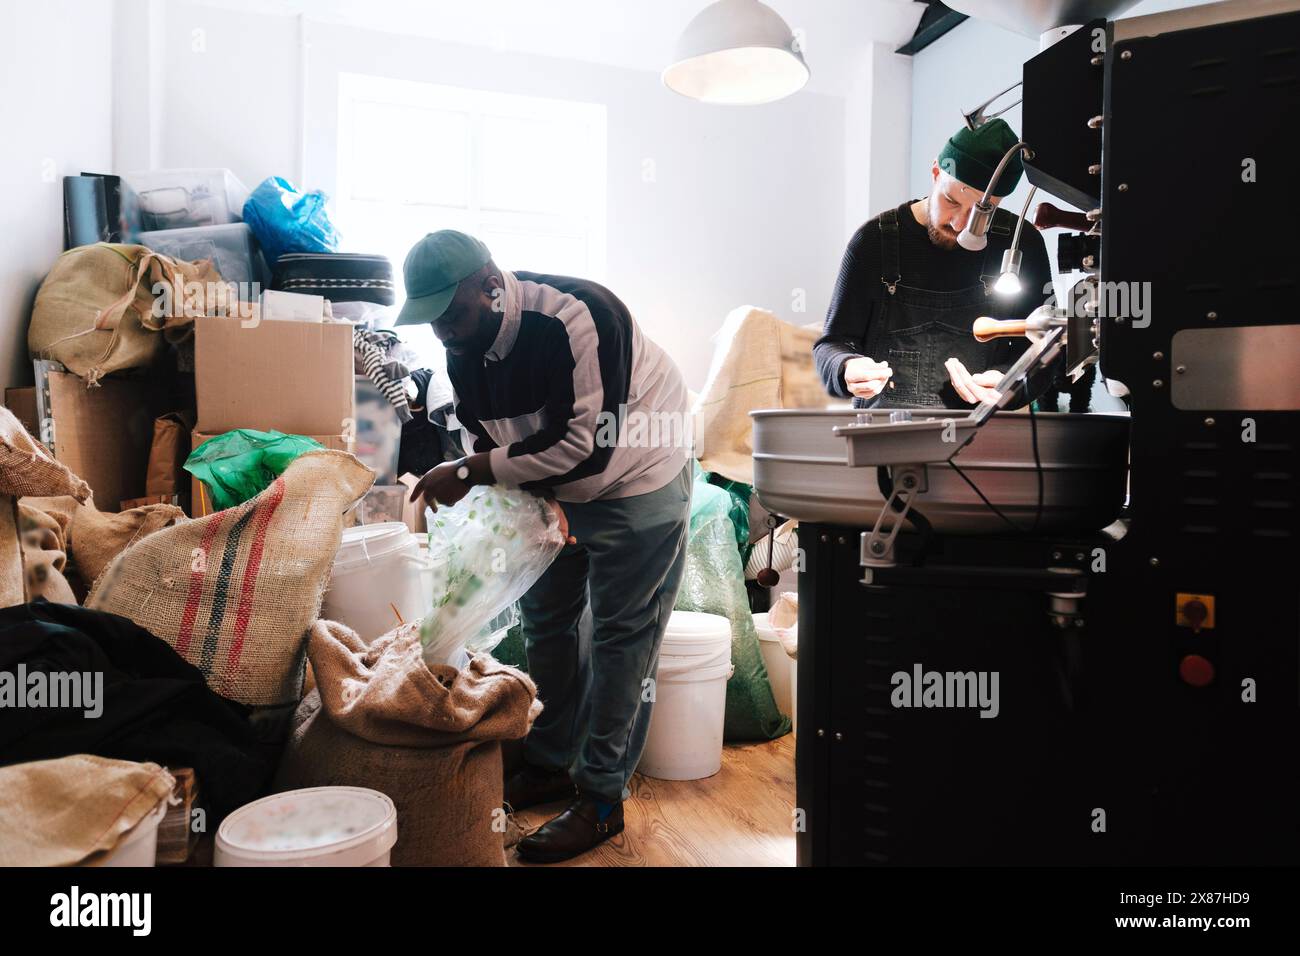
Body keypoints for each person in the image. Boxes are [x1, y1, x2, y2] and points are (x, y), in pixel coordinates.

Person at [397, 230, 692, 863]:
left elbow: (589, 445)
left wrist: (474, 474)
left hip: (638, 476)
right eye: (432, 321)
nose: (443, 332)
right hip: (555, 484)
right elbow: (487, 440)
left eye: (453, 314)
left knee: (622, 634)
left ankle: (601, 799)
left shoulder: (579, 316)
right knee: (547, 622)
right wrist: (490, 478)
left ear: (492, 284)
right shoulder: (461, 351)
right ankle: (553, 759)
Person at [814, 118, 1052, 409]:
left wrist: (1007, 380)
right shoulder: (873, 241)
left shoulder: (1021, 244)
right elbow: (831, 345)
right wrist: (846, 367)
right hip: (883, 437)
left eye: (984, 210)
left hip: (979, 436)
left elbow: (1046, 348)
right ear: (936, 172)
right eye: (951, 200)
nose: (960, 224)